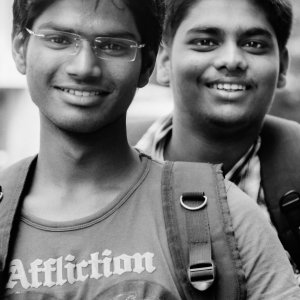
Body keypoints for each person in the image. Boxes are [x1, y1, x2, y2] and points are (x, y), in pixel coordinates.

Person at [0, 0, 299, 299]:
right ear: (20, 47)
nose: (84, 67)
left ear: (147, 64)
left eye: (114, 46)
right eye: (59, 40)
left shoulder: (229, 215)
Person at [136, 0, 300, 281]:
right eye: (204, 41)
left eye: (255, 44)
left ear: (282, 66)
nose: (232, 60)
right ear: (163, 62)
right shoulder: (113, 186)